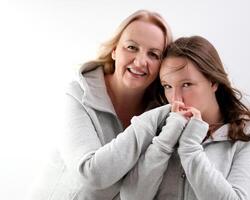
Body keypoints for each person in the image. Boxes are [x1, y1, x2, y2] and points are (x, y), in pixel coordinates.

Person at [28, 10, 173, 200]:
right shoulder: (78, 94)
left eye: (153, 54)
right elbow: (90, 174)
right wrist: (155, 118)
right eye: (131, 47)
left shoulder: (162, 115)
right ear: (114, 50)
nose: (140, 62)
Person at [120, 35, 250, 200]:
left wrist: (190, 149)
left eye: (186, 85)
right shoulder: (158, 128)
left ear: (213, 82)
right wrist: (164, 143)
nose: (176, 98)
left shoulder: (249, 135)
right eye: (168, 86)